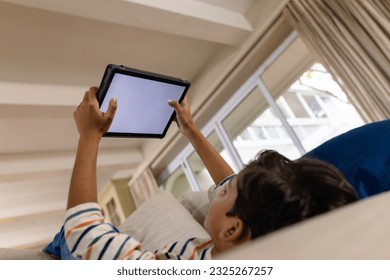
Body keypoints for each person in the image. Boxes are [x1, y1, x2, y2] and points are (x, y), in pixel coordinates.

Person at [63, 86, 358, 260]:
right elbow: (231, 182)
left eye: (224, 194)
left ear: (232, 230)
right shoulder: (249, 245)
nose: (218, 189)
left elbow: (83, 232)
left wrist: (89, 137)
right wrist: (190, 130)